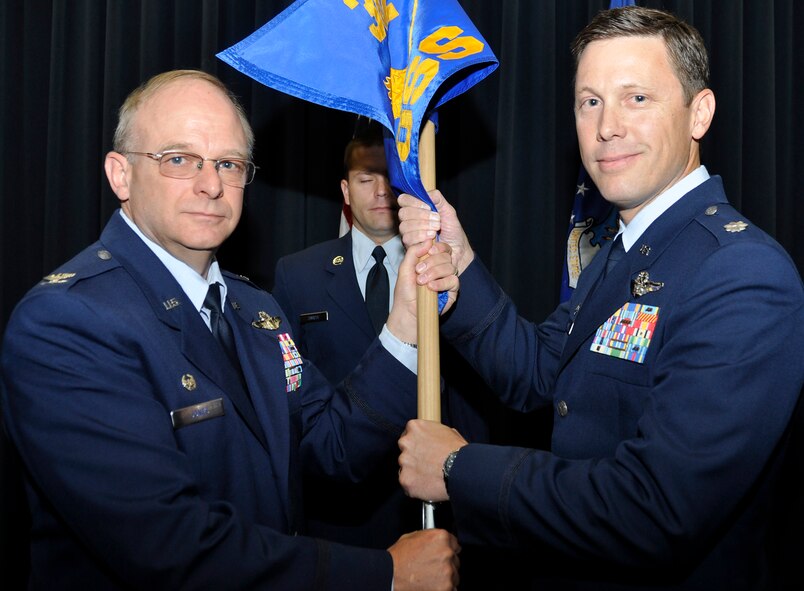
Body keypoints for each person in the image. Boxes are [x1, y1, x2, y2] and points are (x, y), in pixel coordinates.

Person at [0, 69, 463, 591]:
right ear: (120, 175)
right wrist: (386, 574)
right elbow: (169, 546)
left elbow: (331, 446)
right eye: (178, 159)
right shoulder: (67, 322)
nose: (211, 184)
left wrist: (403, 324)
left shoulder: (253, 309)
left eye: (229, 163)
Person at [396, 6, 804, 590]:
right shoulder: (624, 249)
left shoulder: (742, 273)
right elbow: (539, 374)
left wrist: (460, 469)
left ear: (700, 113)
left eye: (636, 98)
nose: (607, 126)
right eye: (590, 101)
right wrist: (460, 264)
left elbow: (655, 510)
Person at [272, 122, 492, 549]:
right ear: (344, 189)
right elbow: (289, 394)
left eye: (388, 179)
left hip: (424, 494)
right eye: (364, 178)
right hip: (337, 502)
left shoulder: (439, 267)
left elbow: (468, 381)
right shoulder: (296, 274)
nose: (378, 192)